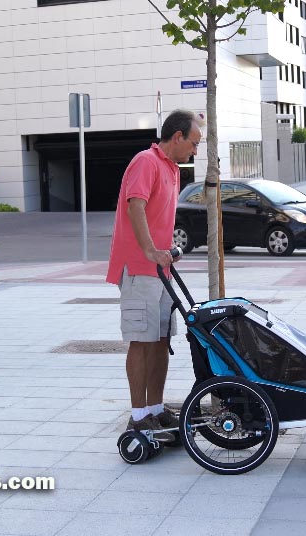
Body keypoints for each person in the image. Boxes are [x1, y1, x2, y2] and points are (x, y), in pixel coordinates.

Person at [106, 109, 202, 441]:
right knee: (141, 340)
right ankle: (138, 417)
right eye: (193, 143)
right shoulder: (146, 161)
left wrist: (167, 249)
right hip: (139, 268)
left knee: (161, 339)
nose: (195, 150)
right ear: (177, 136)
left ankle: (156, 409)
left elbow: (158, 214)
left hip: (161, 270)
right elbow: (135, 205)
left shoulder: (171, 168)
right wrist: (149, 250)